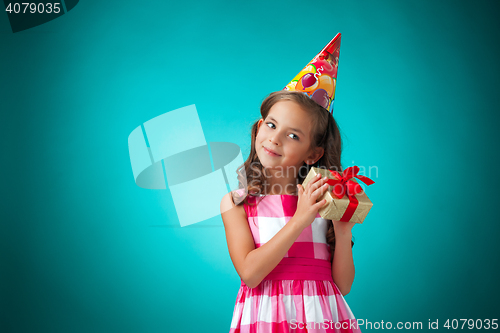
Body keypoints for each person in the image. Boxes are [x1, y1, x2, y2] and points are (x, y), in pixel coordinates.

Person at [220, 90, 362, 332]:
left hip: (322, 316)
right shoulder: (237, 203)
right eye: (272, 125)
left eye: (293, 135)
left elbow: (344, 285)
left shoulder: (324, 200)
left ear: (313, 154)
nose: (275, 139)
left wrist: (343, 230)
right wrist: (299, 220)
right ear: (259, 127)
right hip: (267, 316)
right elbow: (250, 274)